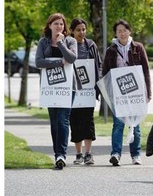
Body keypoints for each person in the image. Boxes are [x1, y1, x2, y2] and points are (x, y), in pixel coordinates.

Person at [102, 19, 151, 166]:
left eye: (124, 30)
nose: (122, 33)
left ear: (129, 31)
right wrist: (106, 93)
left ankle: (135, 155)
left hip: (135, 93)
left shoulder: (138, 48)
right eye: (119, 31)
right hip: (119, 94)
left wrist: (147, 93)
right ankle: (115, 154)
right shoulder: (111, 51)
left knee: (134, 125)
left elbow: (146, 71)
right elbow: (105, 73)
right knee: (118, 124)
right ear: (115, 34)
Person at [35, 13, 81, 169]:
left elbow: (72, 58)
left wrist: (61, 44)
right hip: (50, 89)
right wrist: (60, 62)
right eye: (55, 24)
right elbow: (39, 62)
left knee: (63, 120)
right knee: (54, 122)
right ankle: (57, 155)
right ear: (49, 26)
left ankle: (61, 155)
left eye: (61, 24)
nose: (59, 27)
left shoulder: (70, 41)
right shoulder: (43, 42)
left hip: (68, 88)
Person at [69, 18, 102, 165]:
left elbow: (98, 65)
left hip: (88, 90)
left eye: (83, 29)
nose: (81, 32)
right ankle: (78, 154)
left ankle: (88, 153)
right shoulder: (69, 45)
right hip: (72, 90)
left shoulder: (91, 45)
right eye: (78, 30)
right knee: (75, 120)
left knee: (88, 121)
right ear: (72, 31)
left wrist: (97, 81)